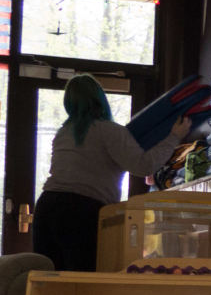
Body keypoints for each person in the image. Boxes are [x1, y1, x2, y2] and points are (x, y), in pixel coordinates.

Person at [34, 74, 189, 272]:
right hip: (82, 212)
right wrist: (175, 137)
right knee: (84, 282)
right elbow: (143, 166)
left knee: (49, 280)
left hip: (47, 208)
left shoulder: (63, 133)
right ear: (100, 98)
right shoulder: (109, 131)